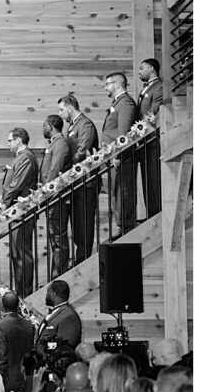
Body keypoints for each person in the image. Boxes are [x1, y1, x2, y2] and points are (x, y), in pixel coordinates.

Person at [58, 94, 99, 264]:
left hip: (86, 181)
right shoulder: (72, 126)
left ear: (70, 107)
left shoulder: (85, 124)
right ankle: (79, 255)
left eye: (61, 110)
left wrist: (67, 168)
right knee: (76, 222)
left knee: (84, 221)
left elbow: (83, 149)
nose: (60, 114)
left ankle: (83, 257)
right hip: (76, 181)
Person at [0, 128, 39, 297]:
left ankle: (25, 292)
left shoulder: (26, 157)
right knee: (17, 254)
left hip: (21, 211)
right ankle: (21, 289)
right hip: (16, 211)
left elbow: (17, 184)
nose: (8, 144)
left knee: (22, 253)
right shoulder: (21, 157)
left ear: (18, 140)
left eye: (10, 140)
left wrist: (5, 202)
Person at [101, 72, 138, 233]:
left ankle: (126, 226)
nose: (105, 87)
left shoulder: (125, 103)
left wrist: (116, 155)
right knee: (116, 192)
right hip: (114, 156)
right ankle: (121, 225)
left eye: (107, 84)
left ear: (116, 84)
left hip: (122, 157)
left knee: (123, 192)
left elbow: (123, 133)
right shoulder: (118, 103)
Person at [39, 115, 73, 277]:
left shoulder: (60, 144)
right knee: (55, 237)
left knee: (58, 237)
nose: (42, 128)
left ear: (51, 126)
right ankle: (57, 271)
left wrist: (45, 193)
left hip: (57, 197)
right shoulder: (55, 143)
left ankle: (59, 272)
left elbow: (54, 171)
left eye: (44, 125)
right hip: (52, 197)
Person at [136, 58, 163, 217]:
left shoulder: (158, 87)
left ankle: (155, 212)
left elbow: (153, 110)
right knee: (147, 179)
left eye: (142, 68)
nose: (140, 71)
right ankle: (150, 212)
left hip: (152, 139)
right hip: (143, 140)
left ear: (151, 68)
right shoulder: (147, 88)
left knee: (153, 179)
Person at [34, 280, 82, 360]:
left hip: (55, 366)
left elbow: (65, 348)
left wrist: (43, 347)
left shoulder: (69, 316)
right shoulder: (57, 312)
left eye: (48, 292)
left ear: (54, 294)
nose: (46, 295)